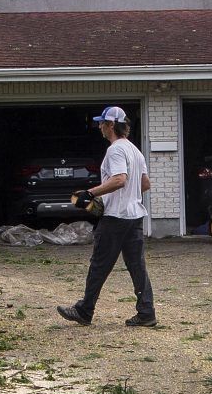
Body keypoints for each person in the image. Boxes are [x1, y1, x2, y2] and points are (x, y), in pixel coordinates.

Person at [57, 105, 157, 328]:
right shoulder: (134, 150)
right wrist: (126, 196)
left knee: (99, 265)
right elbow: (145, 184)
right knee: (137, 266)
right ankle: (146, 312)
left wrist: (90, 193)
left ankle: (84, 310)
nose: (99, 126)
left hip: (115, 218)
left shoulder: (115, 150)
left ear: (111, 125)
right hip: (134, 216)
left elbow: (119, 179)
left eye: (102, 122)